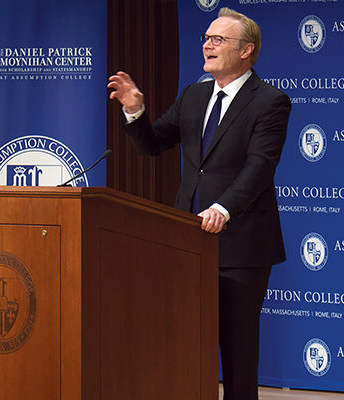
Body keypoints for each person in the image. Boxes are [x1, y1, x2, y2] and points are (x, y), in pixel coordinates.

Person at [108, 7, 291, 400]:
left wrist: (223, 209)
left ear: (247, 51)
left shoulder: (270, 101)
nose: (207, 44)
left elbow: (259, 168)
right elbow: (152, 144)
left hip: (241, 244)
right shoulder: (194, 95)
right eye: (206, 38)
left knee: (238, 353)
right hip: (187, 241)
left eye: (219, 39)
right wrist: (134, 109)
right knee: (186, 345)